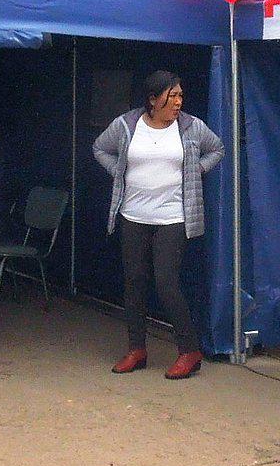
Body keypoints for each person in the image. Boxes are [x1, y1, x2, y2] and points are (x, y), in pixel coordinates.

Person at [94, 70, 224, 380]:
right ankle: (136, 349)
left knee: (166, 283)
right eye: (172, 96)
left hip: (172, 217)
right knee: (134, 282)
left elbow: (217, 149)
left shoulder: (191, 127)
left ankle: (189, 350)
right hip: (133, 215)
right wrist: (119, 172)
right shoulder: (127, 125)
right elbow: (100, 148)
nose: (179, 102)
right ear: (153, 100)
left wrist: (195, 170)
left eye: (180, 95)